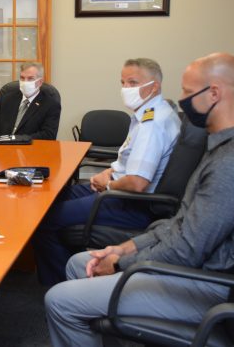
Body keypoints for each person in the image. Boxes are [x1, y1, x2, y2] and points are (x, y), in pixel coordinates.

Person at [44, 53, 234, 347]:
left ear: (215, 94)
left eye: (187, 91)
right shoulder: (225, 148)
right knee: (79, 264)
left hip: (205, 287)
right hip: (191, 270)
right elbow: (181, 223)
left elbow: (188, 249)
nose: (181, 101)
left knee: (59, 300)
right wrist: (127, 246)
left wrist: (121, 261)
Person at [33, 58, 181, 286]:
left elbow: (138, 182)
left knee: (44, 221)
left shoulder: (152, 125)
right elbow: (130, 163)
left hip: (130, 202)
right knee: (53, 197)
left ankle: (63, 286)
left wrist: (109, 183)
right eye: (123, 82)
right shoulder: (150, 114)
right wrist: (109, 173)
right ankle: (70, 264)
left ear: (154, 87)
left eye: (133, 82)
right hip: (119, 191)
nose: (126, 89)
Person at [0, 62, 61, 140]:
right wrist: (0, 141)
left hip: (30, 150)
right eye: (22, 78)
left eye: (30, 78)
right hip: (2, 148)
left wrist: (16, 139)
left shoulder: (51, 104)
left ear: (40, 82)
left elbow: (48, 135)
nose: (25, 82)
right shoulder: (6, 99)